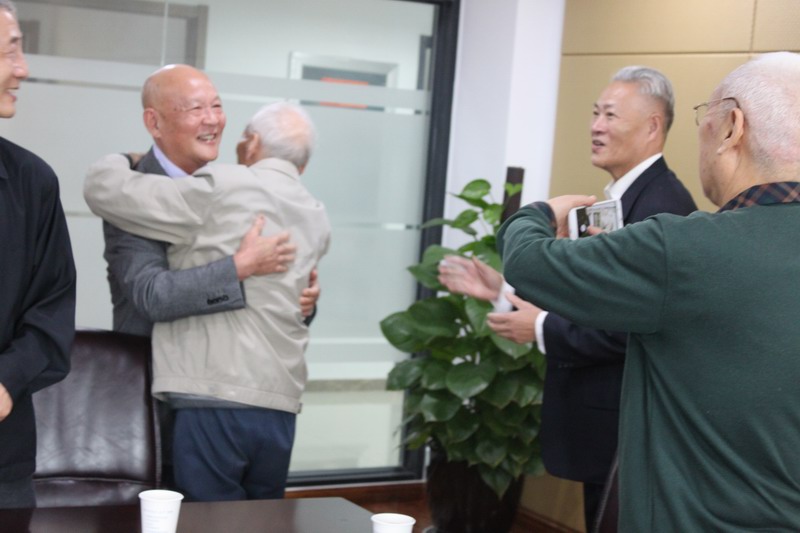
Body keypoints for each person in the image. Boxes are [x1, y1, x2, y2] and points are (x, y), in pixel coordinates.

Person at [493, 51, 800, 530]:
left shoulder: (684, 246)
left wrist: (538, 213)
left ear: (732, 127)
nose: (597, 125)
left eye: (705, 117)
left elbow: (529, 261)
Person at [440, 66, 696, 528]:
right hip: (603, 425)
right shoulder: (627, 199)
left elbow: (628, 325)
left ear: (652, 127)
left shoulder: (662, 208)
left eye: (611, 115)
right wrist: (502, 291)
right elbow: (595, 299)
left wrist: (540, 327)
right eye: (595, 113)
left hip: (624, 428)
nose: (596, 126)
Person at [84, 101, 331, 501]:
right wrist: (309, 303)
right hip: (280, 405)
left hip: (214, 396)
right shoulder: (317, 215)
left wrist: (123, 160)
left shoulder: (225, 186)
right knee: (261, 521)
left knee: (206, 521)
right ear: (301, 166)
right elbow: (288, 299)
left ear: (251, 143)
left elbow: (108, 192)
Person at [102, 63, 317, 340]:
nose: (213, 120)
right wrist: (239, 268)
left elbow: (273, 288)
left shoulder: (231, 188)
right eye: (196, 108)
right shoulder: (130, 193)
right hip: (154, 363)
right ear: (154, 123)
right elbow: (152, 296)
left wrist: (303, 300)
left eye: (216, 106)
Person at [0, 0, 76, 508]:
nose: (23, 69)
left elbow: (52, 314)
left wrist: (6, 381)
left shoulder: (32, 182)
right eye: (11, 51)